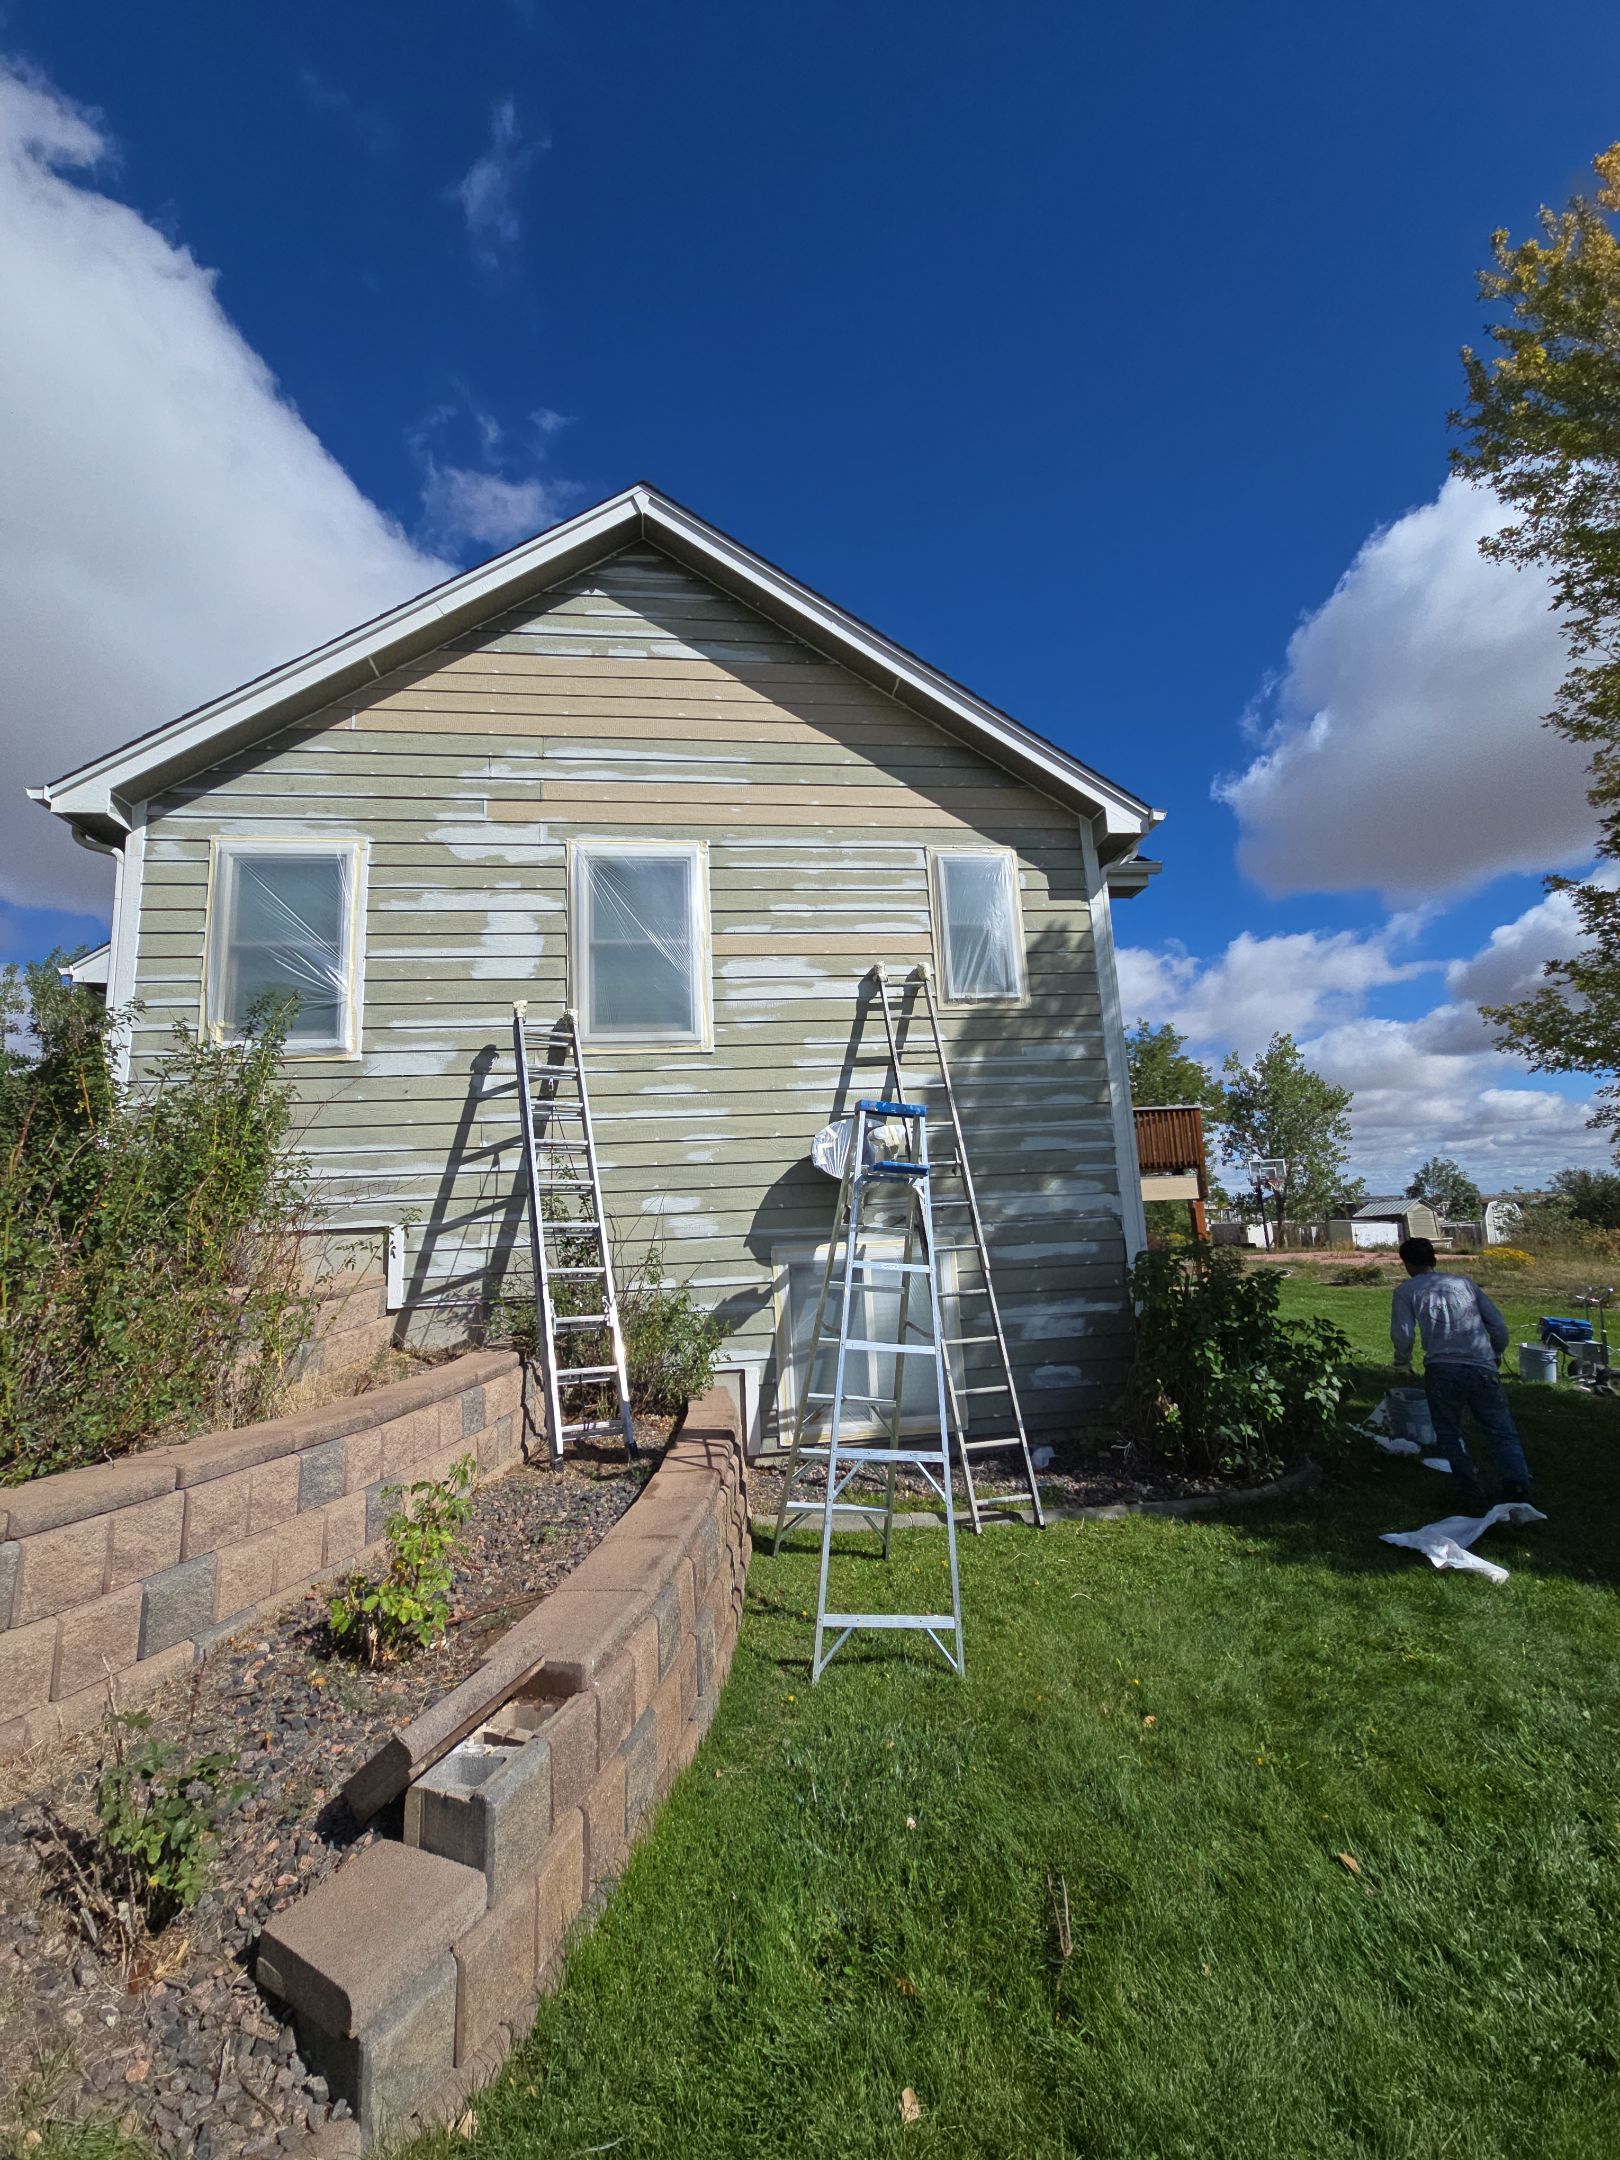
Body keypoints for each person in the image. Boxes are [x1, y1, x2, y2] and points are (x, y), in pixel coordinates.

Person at [1391, 1236, 1532, 1514]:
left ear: (1406, 1263)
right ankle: (1517, 1486)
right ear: (1434, 1259)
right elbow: (1498, 1325)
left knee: (1449, 1432)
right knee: (1501, 1431)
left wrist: (1402, 1363)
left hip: (1442, 1369)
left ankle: (1470, 1491)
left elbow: (1403, 1334)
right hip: (1482, 1365)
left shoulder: (1407, 1291)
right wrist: (1495, 1352)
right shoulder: (1464, 1284)